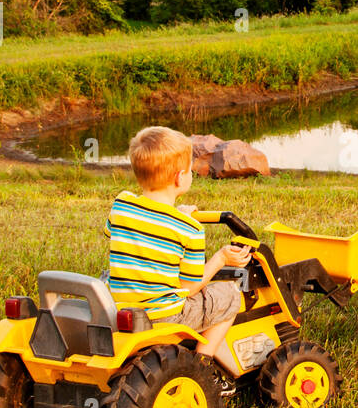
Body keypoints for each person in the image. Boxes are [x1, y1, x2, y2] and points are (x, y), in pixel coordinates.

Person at [105, 125, 250, 368]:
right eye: (191, 170)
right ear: (179, 177)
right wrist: (221, 259)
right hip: (164, 316)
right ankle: (203, 365)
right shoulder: (189, 229)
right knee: (230, 296)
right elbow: (190, 287)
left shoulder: (121, 205)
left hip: (121, 308)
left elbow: (117, 230)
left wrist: (173, 214)